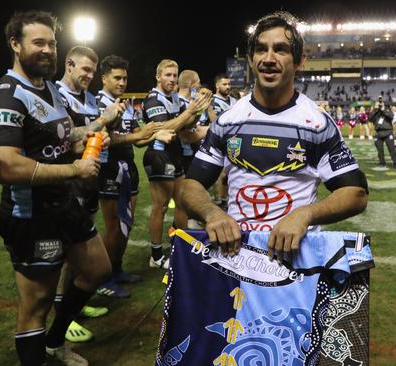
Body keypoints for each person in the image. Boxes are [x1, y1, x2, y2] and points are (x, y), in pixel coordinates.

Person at [179, 10, 368, 258]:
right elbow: (190, 186)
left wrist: (304, 215)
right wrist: (212, 212)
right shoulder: (228, 120)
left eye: (280, 49)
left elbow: (356, 193)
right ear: (250, 58)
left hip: (295, 263)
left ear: (300, 60)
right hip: (237, 259)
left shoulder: (317, 123)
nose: (269, 58)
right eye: (260, 49)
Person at [0, 10, 112, 365]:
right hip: (31, 216)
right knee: (35, 307)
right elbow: (4, 164)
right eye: (38, 42)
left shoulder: (50, 89)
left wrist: (86, 137)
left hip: (63, 204)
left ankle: (56, 342)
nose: (47, 50)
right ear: (15, 44)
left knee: (98, 269)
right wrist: (75, 167)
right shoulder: (6, 95)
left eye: (52, 43)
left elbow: (59, 138)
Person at [55, 46, 125, 342]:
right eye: (84, 69)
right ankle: (61, 315)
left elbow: (88, 138)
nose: (89, 75)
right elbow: (67, 139)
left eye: (92, 71)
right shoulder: (56, 95)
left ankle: (74, 306)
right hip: (66, 183)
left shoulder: (89, 98)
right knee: (63, 253)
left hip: (89, 179)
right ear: (69, 65)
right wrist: (103, 121)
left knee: (79, 254)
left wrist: (101, 137)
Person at [96, 55, 172, 297]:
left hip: (129, 166)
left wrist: (152, 136)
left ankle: (117, 270)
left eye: (125, 78)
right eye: (117, 78)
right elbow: (108, 139)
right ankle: (105, 278)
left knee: (125, 225)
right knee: (112, 227)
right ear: (104, 78)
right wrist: (141, 135)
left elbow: (138, 138)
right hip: (109, 169)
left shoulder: (126, 105)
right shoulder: (99, 105)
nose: (122, 82)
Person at [142, 59, 211, 269]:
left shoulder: (174, 97)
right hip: (158, 155)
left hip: (176, 154)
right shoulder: (153, 99)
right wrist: (189, 112)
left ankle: (179, 247)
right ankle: (155, 255)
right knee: (161, 207)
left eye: (174, 75)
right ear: (158, 76)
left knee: (182, 204)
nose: (172, 79)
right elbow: (165, 127)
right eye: (168, 75)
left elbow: (186, 124)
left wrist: (198, 110)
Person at [212, 74, 237, 210]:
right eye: (224, 84)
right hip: (218, 141)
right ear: (217, 86)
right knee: (220, 173)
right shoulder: (212, 102)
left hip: (233, 141)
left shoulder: (234, 101)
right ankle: (220, 200)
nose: (228, 87)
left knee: (229, 173)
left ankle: (226, 199)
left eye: (229, 84)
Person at [369, 98, 396, 167]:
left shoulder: (387, 110)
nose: (379, 105)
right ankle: (382, 162)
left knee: (391, 148)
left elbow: (391, 116)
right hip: (378, 132)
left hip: (388, 132)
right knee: (380, 149)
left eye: (380, 104)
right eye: (377, 104)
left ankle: (395, 162)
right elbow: (370, 119)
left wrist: (383, 109)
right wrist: (375, 109)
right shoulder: (375, 112)